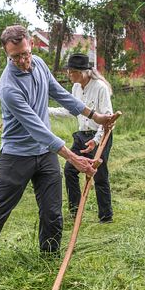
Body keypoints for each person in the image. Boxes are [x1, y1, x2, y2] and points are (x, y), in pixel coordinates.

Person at [0, 25, 115, 290]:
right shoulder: (8, 87)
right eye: (16, 57)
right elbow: (37, 128)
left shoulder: (39, 64)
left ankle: (48, 262)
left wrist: (95, 115)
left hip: (45, 156)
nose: (23, 61)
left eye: (26, 53)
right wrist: (73, 157)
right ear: (7, 54)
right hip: (16, 157)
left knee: (53, 215)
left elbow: (62, 95)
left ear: (31, 45)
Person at [50, 53, 115, 223]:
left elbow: (107, 118)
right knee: (70, 170)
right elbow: (71, 110)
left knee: (99, 173)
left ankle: (105, 216)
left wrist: (97, 140)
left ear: (84, 72)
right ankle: (75, 211)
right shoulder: (76, 88)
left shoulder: (100, 87)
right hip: (81, 136)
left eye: (72, 72)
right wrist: (45, 111)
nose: (69, 75)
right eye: (69, 71)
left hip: (100, 135)